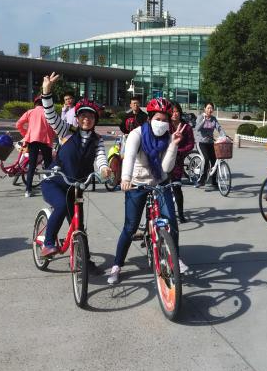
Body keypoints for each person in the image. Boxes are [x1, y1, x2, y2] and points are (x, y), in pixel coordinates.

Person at [38, 73, 112, 277]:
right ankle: (49, 242)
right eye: (83, 116)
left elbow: (101, 158)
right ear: (77, 118)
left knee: (78, 225)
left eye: (91, 117)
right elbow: (51, 116)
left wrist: (104, 169)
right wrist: (46, 92)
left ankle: (85, 259)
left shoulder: (97, 140)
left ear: (95, 120)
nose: (87, 119)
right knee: (61, 206)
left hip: (76, 187)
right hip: (54, 182)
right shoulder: (66, 131)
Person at [108, 97, 187, 284]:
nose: (161, 123)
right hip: (137, 183)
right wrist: (125, 179)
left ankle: (175, 257)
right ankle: (117, 265)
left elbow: (166, 168)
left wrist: (174, 145)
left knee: (171, 221)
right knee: (130, 227)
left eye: (165, 120)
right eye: (158, 119)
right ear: (149, 118)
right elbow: (129, 157)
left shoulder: (169, 136)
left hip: (160, 182)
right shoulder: (137, 134)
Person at [15, 95, 56, 197]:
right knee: (48, 165)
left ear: (35, 104)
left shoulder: (30, 112)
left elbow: (18, 124)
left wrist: (26, 134)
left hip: (33, 140)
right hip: (46, 141)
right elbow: (54, 128)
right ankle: (49, 188)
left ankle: (28, 190)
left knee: (32, 165)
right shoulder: (49, 113)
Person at [169, 102, 195, 223]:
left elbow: (191, 144)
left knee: (176, 187)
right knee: (163, 187)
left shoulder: (186, 127)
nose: (174, 114)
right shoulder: (166, 125)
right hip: (164, 159)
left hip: (178, 160)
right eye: (172, 111)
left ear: (180, 113)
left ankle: (180, 214)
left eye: (176, 111)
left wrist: (180, 151)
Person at [194, 102, 226, 188]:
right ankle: (201, 180)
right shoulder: (200, 117)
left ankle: (214, 181)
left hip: (210, 142)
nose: (210, 110)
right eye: (208, 108)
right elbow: (197, 128)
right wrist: (204, 120)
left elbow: (219, 128)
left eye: (211, 108)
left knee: (215, 160)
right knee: (206, 159)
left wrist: (224, 135)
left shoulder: (213, 119)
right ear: (204, 109)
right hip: (201, 142)